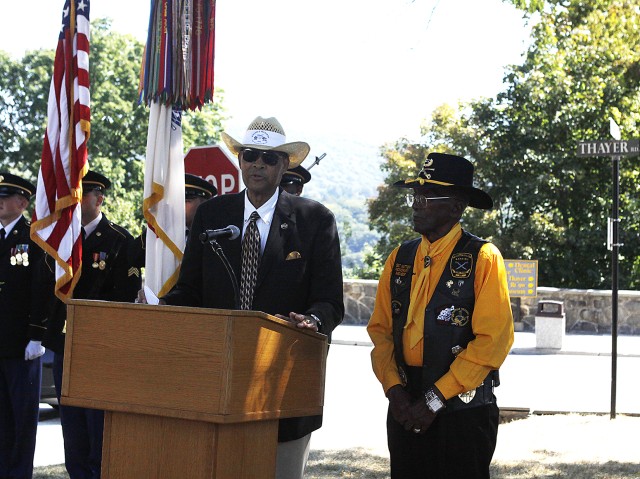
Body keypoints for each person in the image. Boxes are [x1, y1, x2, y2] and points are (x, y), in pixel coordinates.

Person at [160, 116, 344, 479]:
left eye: (269, 158)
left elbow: (330, 301)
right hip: (216, 384)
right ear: (240, 160)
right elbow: (190, 289)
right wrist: (161, 306)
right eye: (250, 155)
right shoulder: (213, 213)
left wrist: (314, 321)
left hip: (282, 386)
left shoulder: (315, 220)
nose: (258, 164)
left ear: (285, 164)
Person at [367, 152, 514, 479]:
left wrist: (435, 399)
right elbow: (380, 332)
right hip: (405, 404)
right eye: (415, 195)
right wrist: (394, 391)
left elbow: (493, 342)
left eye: (428, 195)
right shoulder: (400, 257)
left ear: (457, 206)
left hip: (462, 408)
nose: (417, 203)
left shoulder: (483, 257)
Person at [40, 170, 141, 479]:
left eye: (81, 194)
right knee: (71, 430)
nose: (74, 200)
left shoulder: (119, 240)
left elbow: (124, 297)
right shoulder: (59, 238)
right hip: (65, 344)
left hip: (100, 347)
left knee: (97, 429)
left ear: (99, 198)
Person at [0, 173, 45, 479]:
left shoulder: (33, 238)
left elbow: (41, 289)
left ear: (22, 202)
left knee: (21, 419)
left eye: (4, 197)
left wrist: (36, 335)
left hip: (21, 345)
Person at [128, 173, 218, 267]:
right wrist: (158, 226)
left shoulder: (214, 234)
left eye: (187, 201)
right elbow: (134, 258)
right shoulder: (164, 231)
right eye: (175, 201)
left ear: (203, 204)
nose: (179, 206)